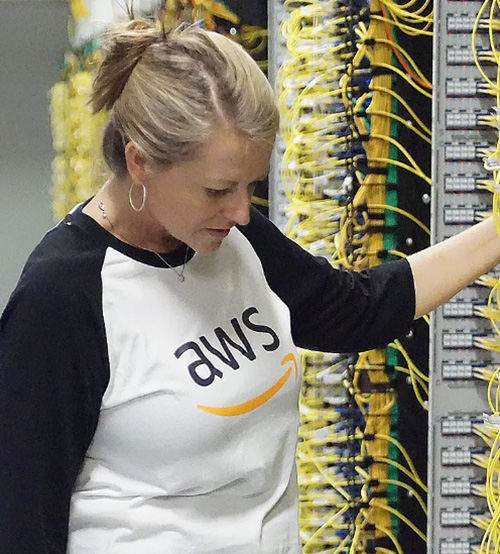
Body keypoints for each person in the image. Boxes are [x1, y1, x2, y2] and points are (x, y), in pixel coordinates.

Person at [1, 18, 500, 554]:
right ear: (139, 160)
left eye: (252, 186)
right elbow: (24, 521)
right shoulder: (65, 295)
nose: (241, 211)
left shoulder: (231, 236)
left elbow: (356, 309)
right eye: (217, 189)